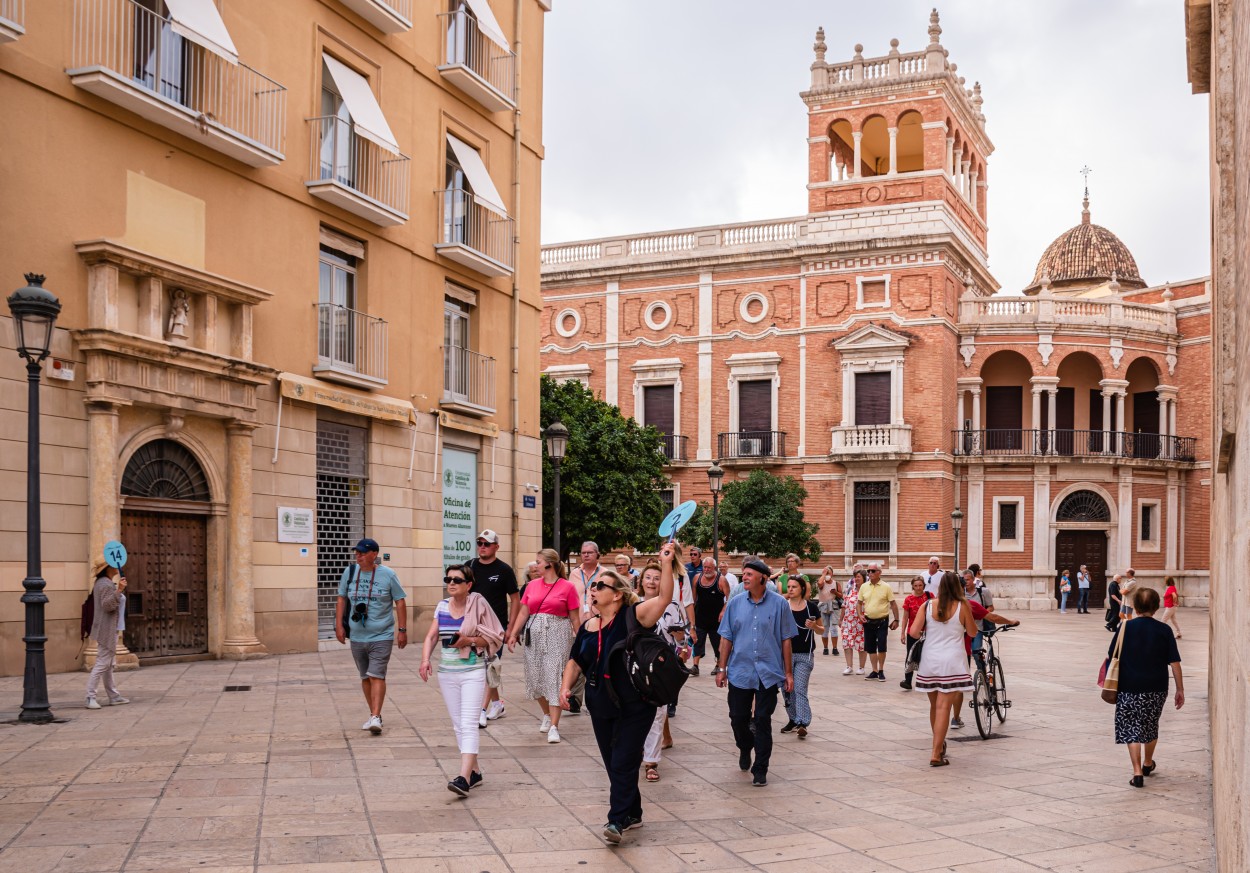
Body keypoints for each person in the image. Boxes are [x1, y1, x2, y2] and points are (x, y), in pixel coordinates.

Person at [560, 549, 676, 844]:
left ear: (617, 595)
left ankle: (616, 820)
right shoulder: (587, 627)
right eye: (593, 585)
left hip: (635, 705)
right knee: (614, 763)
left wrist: (664, 563)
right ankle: (633, 812)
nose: (594, 589)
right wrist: (564, 688)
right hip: (600, 705)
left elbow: (663, 599)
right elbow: (575, 662)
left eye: (601, 585)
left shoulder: (633, 616)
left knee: (624, 760)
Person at [418, 564, 505, 796]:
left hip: (472, 671)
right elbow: (432, 635)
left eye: (457, 580)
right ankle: (474, 771)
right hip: (447, 673)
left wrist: (468, 640)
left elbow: (493, 636)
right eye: (448, 579)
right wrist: (425, 659)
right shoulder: (442, 606)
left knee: (468, 723)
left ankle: (463, 778)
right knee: (458, 724)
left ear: (469, 584)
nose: (452, 583)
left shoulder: (478, 604)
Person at [715, 557, 796, 786]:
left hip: (768, 673)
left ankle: (760, 769)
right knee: (737, 718)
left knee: (762, 719)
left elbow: (786, 640)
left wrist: (788, 674)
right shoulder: (735, 603)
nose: (745, 578)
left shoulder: (780, 604)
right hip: (740, 672)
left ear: (762, 577)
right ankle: (744, 746)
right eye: (744, 574)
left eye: (749, 574)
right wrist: (722, 668)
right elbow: (726, 637)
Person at [505, 549, 582, 743]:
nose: (535, 565)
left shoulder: (567, 587)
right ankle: (547, 714)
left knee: (554, 677)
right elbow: (524, 613)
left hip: (558, 633)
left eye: (539, 562)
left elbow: (574, 617)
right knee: (535, 677)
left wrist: (581, 640)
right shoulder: (531, 586)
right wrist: (514, 633)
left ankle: (554, 726)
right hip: (535, 633)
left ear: (549, 564)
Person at [1110, 587, 1184, 787]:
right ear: (1157, 607)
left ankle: (1137, 773)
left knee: (1130, 727)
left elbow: (1112, 656)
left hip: (1128, 686)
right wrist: (1180, 690)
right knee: (1150, 725)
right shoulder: (1164, 630)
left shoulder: (1125, 628)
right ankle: (1148, 763)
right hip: (1156, 687)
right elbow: (1175, 662)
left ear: (1134, 606)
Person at [336, 538, 407, 735]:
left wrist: (402, 630)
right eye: (356, 552)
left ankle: (375, 716)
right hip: (357, 634)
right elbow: (341, 598)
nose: (357, 555)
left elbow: (400, 601)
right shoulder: (350, 572)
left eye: (362, 552)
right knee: (365, 676)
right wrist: (338, 626)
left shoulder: (388, 575)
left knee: (376, 674)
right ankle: (374, 714)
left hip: (381, 634)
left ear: (374, 554)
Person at [909, 570, 980, 766]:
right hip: (952, 662)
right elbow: (972, 632)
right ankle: (935, 752)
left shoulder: (927, 605)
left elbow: (914, 633)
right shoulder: (962, 605)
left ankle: (939, 747)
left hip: (930, 660)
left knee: (935, 706)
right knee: (944, 707)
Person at [638, 562, 689, 783]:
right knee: (635, 712)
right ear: (641, 581)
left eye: (657, 578)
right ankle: (637, 748)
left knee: (658, 714)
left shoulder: (672, 606)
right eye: (648, 577)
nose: (651, 581)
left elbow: (681, 640)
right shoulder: (632, 602)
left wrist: (681, 640)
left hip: (661, 666)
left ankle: (651, 761)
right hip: (635, 665)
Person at [950, 570, 1020, 729]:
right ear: (961, 589)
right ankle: (955, 717)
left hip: (939, 654)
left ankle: (950, 720)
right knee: (958, 684)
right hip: (961, 650)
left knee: (945, 690)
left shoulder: (934, 605)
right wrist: (1011, 621)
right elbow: (993, 617)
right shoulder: (967, 605)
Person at [468, 529, 519, 727]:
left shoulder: (504, 570)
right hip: (473, 626)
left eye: (486, 543)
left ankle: (481, 709)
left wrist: (511, 628)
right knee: (483, 668)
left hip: (495, 629)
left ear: (496, 547)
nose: (482, 546)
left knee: (488, 667)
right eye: (479, 543)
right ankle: (497, 704)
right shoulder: (469, 567)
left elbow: (515, 600)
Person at [780, 575, 822, 739]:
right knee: (787, 690)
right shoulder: (783, 606)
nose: (790, 589)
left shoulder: (811, 607)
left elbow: (822, 630)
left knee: (799, 688)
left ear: (802, 589)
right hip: (785, 655)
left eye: (794, 587)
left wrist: (814, 626)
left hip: (805, 654)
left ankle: (803, 722)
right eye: (788, 587)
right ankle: (793, 719)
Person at [86, 561, 129, 709]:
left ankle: (114, 696)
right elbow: (107, 605)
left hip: (110, 628)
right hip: (107, 629)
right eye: (114, 565)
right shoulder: (105, 584)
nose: (118, 567)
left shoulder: (105, 582)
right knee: (102, 663)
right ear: (108, 569)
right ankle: (90, 696)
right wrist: (119, 591)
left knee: (108, 664)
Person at [568, 541, 604, 714]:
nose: (586, 555)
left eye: (590, 552)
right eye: (583, 553)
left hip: (599, 622)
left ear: (597, 555)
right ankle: (575, 698)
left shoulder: (605, 574)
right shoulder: (574, 574)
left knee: (595, 660)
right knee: (578, 659)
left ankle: (596, 696)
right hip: (578, 623)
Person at [858, 563, 900, 682]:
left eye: (872, 571)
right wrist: (860, 614)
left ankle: (881, 670)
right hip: (868, 620)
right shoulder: (864, 586)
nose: (870, 573)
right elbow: (859, 603)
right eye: (868, 571)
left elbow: (893, 604)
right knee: (870, 647)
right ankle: (874, 670)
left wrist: (896, 619)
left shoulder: (886, 587)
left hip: (882, 621)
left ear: (879, 573)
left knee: (881, 646)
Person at [691, 556, 728, 676]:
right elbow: (693, 599)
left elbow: (730, 599)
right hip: (700, 617)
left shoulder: (721, 580)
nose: (706, 570)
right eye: (704, 567)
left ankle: (718, 664)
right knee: (697, 641)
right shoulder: (697, 578)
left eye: (709, 568)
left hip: (716, 619)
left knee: (717, 643)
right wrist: (690, 614)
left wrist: (723, 611)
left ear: (714, 568)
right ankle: (695, 666)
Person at [899, 576, 931, 691]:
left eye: (920, 585)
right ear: (912, 586)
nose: (918, 588)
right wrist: (902, 633)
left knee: (926, 655)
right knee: (910, 654)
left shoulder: (929, 596)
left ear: (924, 586)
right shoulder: (909, 599)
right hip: (912, 632)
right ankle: (908, 680)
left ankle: (926, 679)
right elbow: (905, 617)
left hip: (928, 630)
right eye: (916, 585)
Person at [840, 568, 867, 675]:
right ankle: (849, 666)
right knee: (847, 643)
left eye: (858, 577)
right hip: (848, 621)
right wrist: (841, 619)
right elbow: (844, 604)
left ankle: (861, 667)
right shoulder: (850, 589)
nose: (856, 579)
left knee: (861, 644)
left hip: (861, 622)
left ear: (864, 578)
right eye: (855, 577)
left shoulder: (867, 590)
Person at [816, 566, 841, 656]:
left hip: (833, 607)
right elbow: (819, 583)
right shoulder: (822, 583)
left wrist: (835, 593)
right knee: (825, 628)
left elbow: (841, 595)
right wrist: (823, 574)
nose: (827, 575)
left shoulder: (836, 583)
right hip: (823, 606)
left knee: (834, 628)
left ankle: (835, 648)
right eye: (825, 573)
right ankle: (825, 648)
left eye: (828, 573)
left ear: (832, 574)